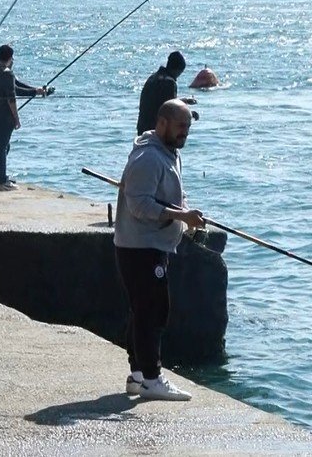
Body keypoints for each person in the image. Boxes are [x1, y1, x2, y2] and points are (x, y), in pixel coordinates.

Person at [114, 99, 205, 402]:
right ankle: (152, 378)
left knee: (144, 310)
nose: (185, 132)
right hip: (141, 247)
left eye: (188, 127)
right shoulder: (148, 158)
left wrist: (187, 219)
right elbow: (139, 206)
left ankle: (138, 375)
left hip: (152, 244)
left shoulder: (169, 153)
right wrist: (181, 216)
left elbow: (173, 195)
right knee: (152, 313)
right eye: (180, 126)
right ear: (162, 123)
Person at [0, 45, 48, 192]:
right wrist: (16, 118)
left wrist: (35, 91)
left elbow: (15, 86)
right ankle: (2, 181)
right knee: (1, 147)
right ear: (10, 58)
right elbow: (12, 98)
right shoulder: (7, 73)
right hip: (2, 117)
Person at [136, 51, 197, 135]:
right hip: (156, 130)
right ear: (178, 70)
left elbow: (161, 102)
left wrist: (185, 100)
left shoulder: (153, 77)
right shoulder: (169, 82)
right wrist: (190, 114)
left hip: (143, 128)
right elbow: (171, 110)